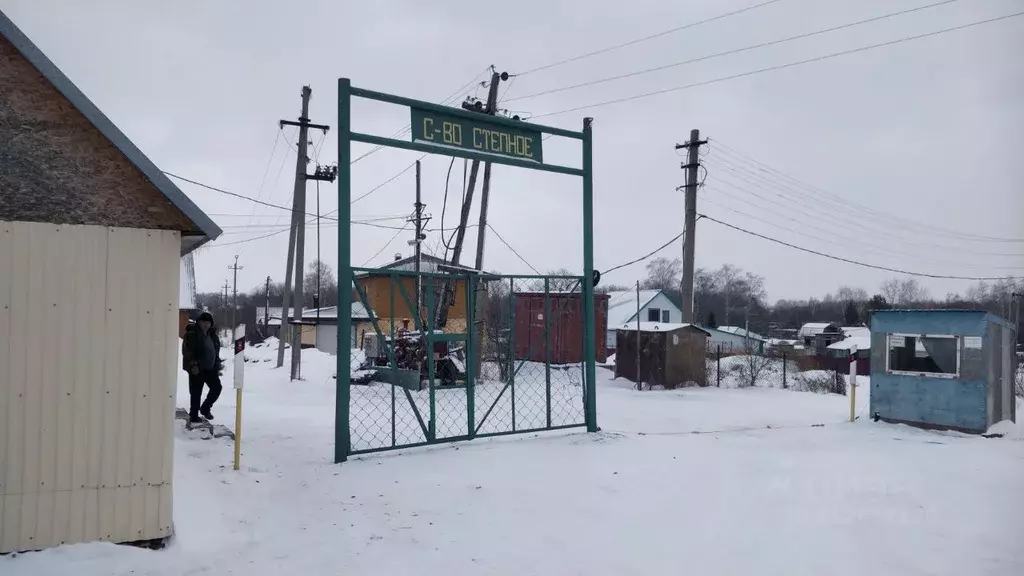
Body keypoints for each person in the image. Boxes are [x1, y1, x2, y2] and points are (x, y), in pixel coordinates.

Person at [182, 311, 223, 423]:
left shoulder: (212, 335)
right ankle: (194, 415)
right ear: (198, 322)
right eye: (203, 322)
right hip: (197, 368)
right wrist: (193, 365)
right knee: (196, 392)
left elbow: (215, 351)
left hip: (210, 369)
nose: (206, 325)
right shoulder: (192, 334)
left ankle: (205, 408)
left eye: (208, 322)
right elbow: (188, 351)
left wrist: (217, 364)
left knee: (217, 388)